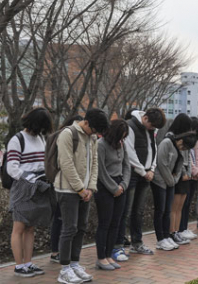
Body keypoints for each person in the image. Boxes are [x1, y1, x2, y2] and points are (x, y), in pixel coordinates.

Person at [56, 108, 109, 284]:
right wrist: (80, 188)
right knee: (69, 228)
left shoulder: (92, 137)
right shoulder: (67, 134)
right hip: (67, 190)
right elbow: (66, 164)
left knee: (81, 227)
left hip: (85, 190)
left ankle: (75, 263)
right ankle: (64, 269)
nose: (94, 134)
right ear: (86, 122)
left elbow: (94, 163)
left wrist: (91, 188)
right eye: (93, 130)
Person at [7, 108, 53, 278]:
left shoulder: (40, 138)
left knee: (30, 227)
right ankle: (19, 266)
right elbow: (12, 168)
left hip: (38, 186)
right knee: (19, 227)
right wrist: (30, 179)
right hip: (23, 187)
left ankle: (28, 262)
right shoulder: (17, 139)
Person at [115, 108, 166, 259]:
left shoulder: (149, 129)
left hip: (146, 174)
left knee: (139, 211)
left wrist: (152, 168)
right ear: (146, 119)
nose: (152, 129)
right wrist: (144, 171)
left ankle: (137, 243)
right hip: (132, 174)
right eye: (152, 126)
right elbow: (129, 153)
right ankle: (118, 244)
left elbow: (153, 148)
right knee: (125, 211)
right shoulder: (130, 125)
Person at [151, 116, 197, 251]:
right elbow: (162, 164)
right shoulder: (167, 142)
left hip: (170, 182)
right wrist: (171, 180)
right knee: (161, 211)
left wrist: (174, 179)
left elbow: (180, 163)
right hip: (160, 181)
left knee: (167, 210)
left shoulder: (178, 143)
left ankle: (167, 236)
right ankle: (160, 239)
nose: (182, 148)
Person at [94, 119, 131, 271]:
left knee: (116, 222)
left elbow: (127, 165)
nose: (122, 140)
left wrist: (123, 185)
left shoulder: (121, 144)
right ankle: (101, 257)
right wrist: (113, 188)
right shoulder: (101, 145)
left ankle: (109, 255)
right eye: (120, 136)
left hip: (120, 184)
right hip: (104, 187)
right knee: (105, 223)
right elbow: (100, 171)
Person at [50, 114, 83, 264]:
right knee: (60, 220)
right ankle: (56, 252)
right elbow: (61, 161)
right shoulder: (63, 135)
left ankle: (61, 253)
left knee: (65, 222)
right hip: (61, 183)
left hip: (69, 183)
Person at [167, 114, 195, 246]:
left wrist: (188, 173)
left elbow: (188, 157)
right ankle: (171, 232)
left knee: (180, 207)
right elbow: (178, 158)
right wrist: (183, 173)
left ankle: (177, 231)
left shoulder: (185, 137)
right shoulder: (171, 137)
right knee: (174, 206)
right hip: (177, 175)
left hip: (185, 176)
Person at [178, 117, 198, 241]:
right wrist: (192, 170)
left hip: (194, 175)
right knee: (182, 204)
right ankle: (180, 229)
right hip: (187, 175)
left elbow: (197, 156)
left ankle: (184, 227)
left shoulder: (196, 141)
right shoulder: (183, 140)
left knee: (188, 203)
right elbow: (185, 159)